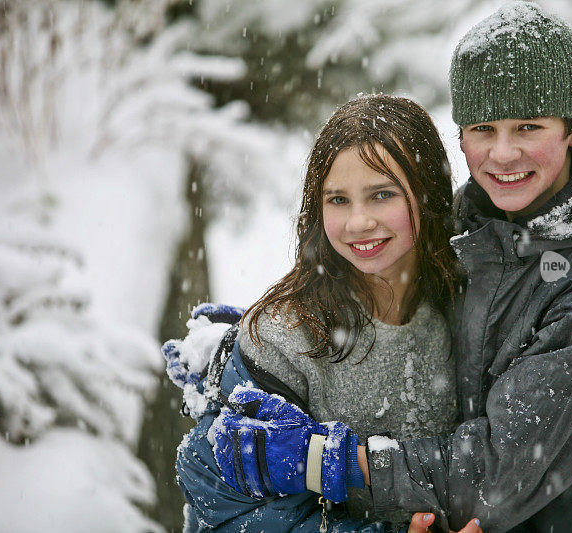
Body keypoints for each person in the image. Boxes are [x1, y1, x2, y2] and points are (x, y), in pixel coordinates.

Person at [218, 2, 572, 531]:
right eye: (482, 128)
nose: (502, 154)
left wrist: (332, 463)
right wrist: (243, 358)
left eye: (528, 127)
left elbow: (496, 472)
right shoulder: (471, 232)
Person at [169, 94, 483, 532]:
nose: (358, 222)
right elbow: (224, 507)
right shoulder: (283, 337)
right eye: (338, 200)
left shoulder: (465, 303)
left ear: (428, 194)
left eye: (381, 195)